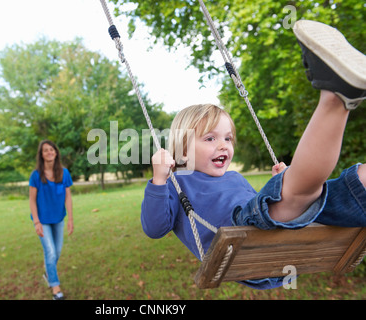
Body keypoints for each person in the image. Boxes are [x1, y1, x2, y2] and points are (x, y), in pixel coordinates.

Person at [141, 20, 366, 289]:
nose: (223, 145)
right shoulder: (177, 183)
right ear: (183, 148)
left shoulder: (234, 178)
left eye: (228, 138)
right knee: (298, 192)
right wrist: (158, 180)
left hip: (276, 228)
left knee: (355, 180)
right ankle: (337, 96)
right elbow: (154, 228)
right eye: (210, 138)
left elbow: (261, 205)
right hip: (240, 243)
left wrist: (282, 184)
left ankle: (337, 100)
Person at [29, 140, 74, 300]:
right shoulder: (36, 176)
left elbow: (68, 197)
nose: (49, 152)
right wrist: (36, 222)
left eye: (51, 150)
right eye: (45, 150)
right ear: (41, 155)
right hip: (42, 220)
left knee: (57, 252)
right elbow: (32, 200)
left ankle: (49, 272)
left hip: (58, 218)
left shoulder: (64, 173)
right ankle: (55, 287)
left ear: (56, 152)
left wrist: (70, 219)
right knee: (50, 252)